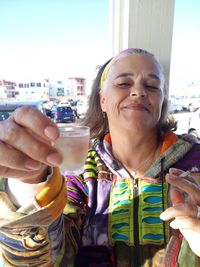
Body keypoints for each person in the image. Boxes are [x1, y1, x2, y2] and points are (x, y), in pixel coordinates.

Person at [0, 48, 199, 267]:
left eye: (152, 86)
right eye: (124, 83)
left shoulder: (195, 165)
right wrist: (28, 182)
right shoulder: (80, 174)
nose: (139, 91)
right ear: (103, 100)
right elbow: (49, 259)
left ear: (161, 102)